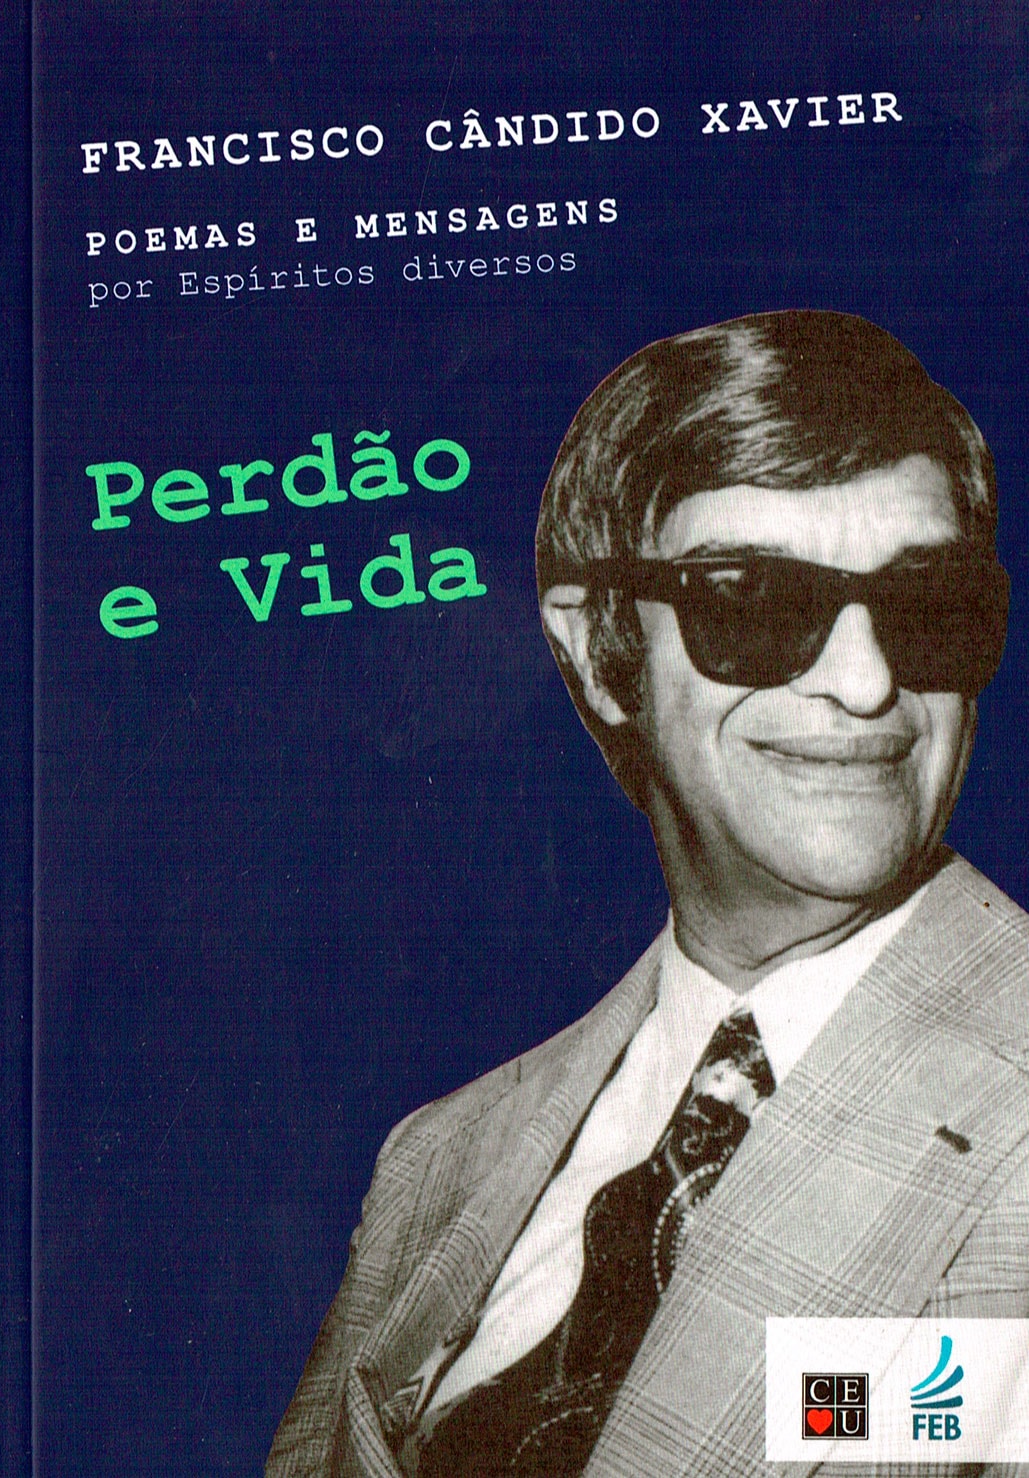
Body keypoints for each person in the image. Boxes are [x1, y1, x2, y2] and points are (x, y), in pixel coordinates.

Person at [267, 311, 1029, 1477]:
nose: (868, 679)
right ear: (600, 650)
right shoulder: (435, 1160)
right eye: (753, 601)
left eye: (928, 603)